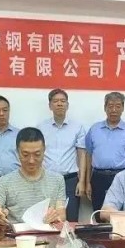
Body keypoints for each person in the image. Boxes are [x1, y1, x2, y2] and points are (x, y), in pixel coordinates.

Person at [0, 127, 66, 227]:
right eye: (25, 155)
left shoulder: (57, 180)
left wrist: (55, 217)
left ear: (44, 151)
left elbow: (62, 215)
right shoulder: (5, 182)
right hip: (17, 235)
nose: (31, 160)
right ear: (17, 152)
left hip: (47, 234)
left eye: (37, 154)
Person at [85, 92, 125, 211]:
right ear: (105, 108)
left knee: (122, 214)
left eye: (118, 106)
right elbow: (88, 156)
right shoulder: (94, 129)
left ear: (123, 108)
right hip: (98, 177)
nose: (114, 110)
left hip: (122, 176)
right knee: (99, 213)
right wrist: (87, 182)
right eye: (110, 106)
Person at [38, 89, 86, 221]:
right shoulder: (41, 128)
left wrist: (82, 181)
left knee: (70, 218)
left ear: (67, 105)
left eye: (63, 101)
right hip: (48, 180)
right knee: (48, 218)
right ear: (50, 105)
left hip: (70, 180)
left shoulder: (77, 127)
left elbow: (82, 155)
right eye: (55, 101)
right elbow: (37, 154)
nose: (59, 104)